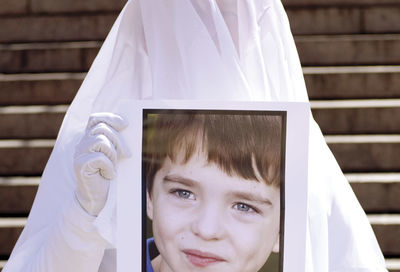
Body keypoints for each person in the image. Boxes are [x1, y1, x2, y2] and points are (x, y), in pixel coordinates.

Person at [4, 0, 387, 271]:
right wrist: (82, 214)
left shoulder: (305, 156)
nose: (209, 35)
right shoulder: (100, 148)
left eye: (227, 13)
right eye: (182, 192)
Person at [144, 113, 282, 271]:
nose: (206, 231)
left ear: (282, 230)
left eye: (243, 206)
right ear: (150, 197)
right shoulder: (111, 261)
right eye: (184, 193)